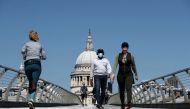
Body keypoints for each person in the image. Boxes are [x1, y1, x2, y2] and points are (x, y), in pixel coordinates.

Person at [21, 30, 46, 108]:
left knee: (30, 82)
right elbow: (44, 56)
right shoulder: (39, 45)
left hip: (27, 64)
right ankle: (31, 99)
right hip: (36, 65)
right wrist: (41, 56)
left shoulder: (26, 44)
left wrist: (25, 55)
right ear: (36, 37)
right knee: (34, 83)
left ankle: (30, 99)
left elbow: (22, 51)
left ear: (29, 37)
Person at [112, 42, 139, 109]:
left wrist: (136, 74)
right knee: (121, 90)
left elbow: (133, 65)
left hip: (129, 74)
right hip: (120, 75)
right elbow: (115, 65)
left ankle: (129, 103)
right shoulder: (118, 56)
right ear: (121, 48)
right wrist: (113, 73)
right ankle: (123, 104)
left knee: (128, 88)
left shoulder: (131, 56)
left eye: (126, 48)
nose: (125, 49)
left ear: (127, 48)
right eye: (123, 47)